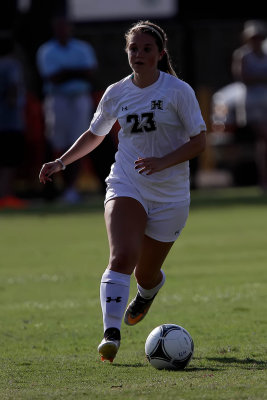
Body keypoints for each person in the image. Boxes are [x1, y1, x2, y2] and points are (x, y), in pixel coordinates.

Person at [39, 20, 206, 362]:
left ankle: (147, 292)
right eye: (133, 48)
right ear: (126, 52)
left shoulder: (178, 91)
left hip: (170, 195)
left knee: (145, 273)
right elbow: (94, 134)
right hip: (126, 182)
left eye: (147, 49)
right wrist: (61, 161)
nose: (139, 55)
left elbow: (200, 141)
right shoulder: (116, 92)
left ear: (160, 54)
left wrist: (163, 161)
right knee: (122, 256)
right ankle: (110, 334)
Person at [36, 16, 98, 203]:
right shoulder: (47, 50)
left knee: (77, 142)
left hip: (79, 98)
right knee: (58, 143)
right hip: (58, 99)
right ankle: (54, 187)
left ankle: (72, 188)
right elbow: (52, 77)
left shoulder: (82, 48)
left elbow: (89, 72)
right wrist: (74, 72)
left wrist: (65, 72)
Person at [232, 20, 267, 190]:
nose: (257, 40)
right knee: (262, 139)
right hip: (253, 103)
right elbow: (243, 77)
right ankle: (263, 179)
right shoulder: (243, 55)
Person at [0, 31, 28, 209]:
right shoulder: (11, 65)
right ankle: (5, 195)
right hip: (9, 120)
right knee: (9, 159)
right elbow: (13, 88)